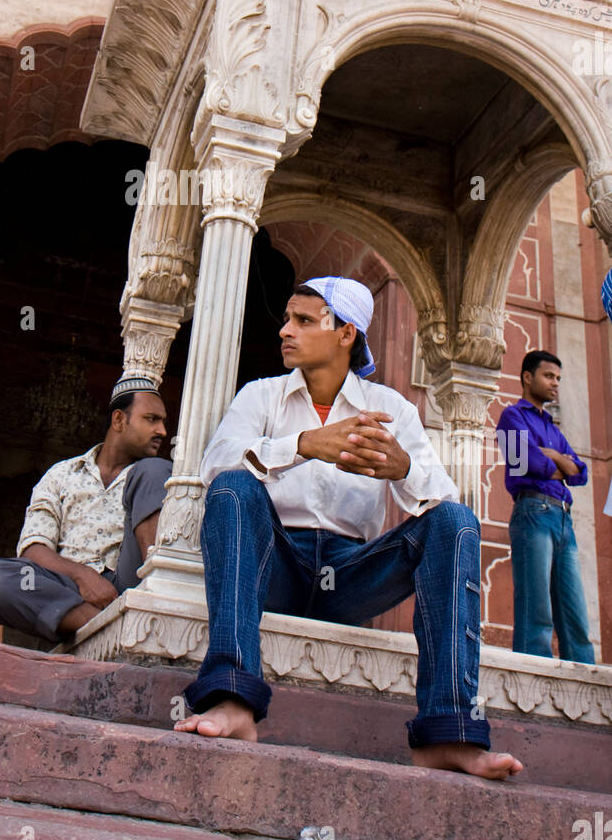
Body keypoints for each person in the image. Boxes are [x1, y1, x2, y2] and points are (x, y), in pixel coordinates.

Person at [174, 276, 523, 781]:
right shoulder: (262, 396)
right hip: (274, 564)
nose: (285, 331)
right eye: (287, 318)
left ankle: (448, 734)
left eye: (303, 320)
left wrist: (404, 469)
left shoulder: (392, 409)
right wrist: (303, 444)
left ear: (345, 334)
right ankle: (232, 699)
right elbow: (215, 465)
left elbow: (443, 501)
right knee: (233, 488)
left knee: (455, 521)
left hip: (352, 576)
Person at [0, 374, 172, 643]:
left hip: (128, 585)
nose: (162, 430)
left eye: (163, 421)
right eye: (152, 419)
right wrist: (82, 577)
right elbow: (34, 548)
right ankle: (110, 630)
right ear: (119, 420)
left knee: (155, 467)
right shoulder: (62, 474)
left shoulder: (153, 477)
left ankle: (137, 611)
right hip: (69, 591)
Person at [497, 350, 595, 663]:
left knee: (575, 612)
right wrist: (558, 462)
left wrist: (550, 456)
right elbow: (523, 461)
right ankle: (530, 682)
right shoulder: (511, 417)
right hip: (533, 514)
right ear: (527, 377)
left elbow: (581, 474)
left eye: (558, 379)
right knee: (536, 607)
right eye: (549, 376)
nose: (555, 384)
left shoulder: (552, 429)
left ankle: (585, 683)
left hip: (564, 521)